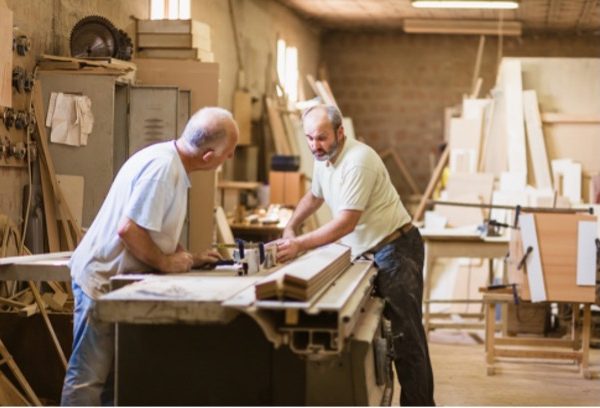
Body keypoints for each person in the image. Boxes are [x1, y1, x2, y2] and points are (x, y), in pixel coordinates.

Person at [61, 107, 239, 406]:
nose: (230, 158)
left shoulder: (171, 163)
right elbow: (129, 230)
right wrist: (166, 263)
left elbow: (151, 230)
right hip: (102, 282)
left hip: (119, 284)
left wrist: (189, 258)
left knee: (114, 382)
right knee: (88, 380)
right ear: (208, 156)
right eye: (229, 152)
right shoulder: (163, 170)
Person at [276, 104, 435, 406]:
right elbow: (314, 196)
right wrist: (291, 226)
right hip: (372, 249)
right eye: (309, 138)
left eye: (321, 138)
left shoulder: (358, 161)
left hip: (396, 249)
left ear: (340, 132)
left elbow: (345, 222)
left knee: (407, 339)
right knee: (389, 337)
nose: (314, 146)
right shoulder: (325, 160)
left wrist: (300, 245)